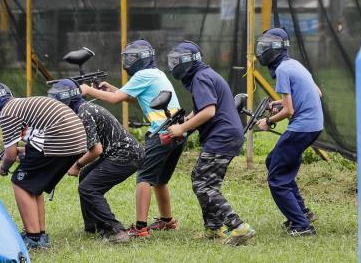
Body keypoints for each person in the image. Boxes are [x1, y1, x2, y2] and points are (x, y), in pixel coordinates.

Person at [80, 39, 183, 237]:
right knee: (160, 180)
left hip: (161, 132)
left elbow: (114, 100)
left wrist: (88, 90)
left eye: (132, 57)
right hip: (177, 131)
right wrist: (112, 89)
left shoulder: (143, 74)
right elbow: (133, 98)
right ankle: (167, 220)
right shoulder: (156, 73)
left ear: (142, 58)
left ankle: (140, 227)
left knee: (144, 178)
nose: (128, 62)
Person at [165, 40, 255, 245]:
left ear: (188, 61)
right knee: (201, 177)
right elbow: (203, 107)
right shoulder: (204, 74)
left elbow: (209, 111)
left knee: (203, 185)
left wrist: (181, 128)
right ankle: (214, 228)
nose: (173, 66)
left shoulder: (200, 77)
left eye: (176, 61)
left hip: (222, 137)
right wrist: (187, 120)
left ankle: (239, 227)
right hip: (226, 135)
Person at [0, 82, 87, 249]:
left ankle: (33, 238)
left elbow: (9, 154)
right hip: (77, 141)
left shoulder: (7, 112)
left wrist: (3, 168)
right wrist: (23, 155)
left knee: (20, 182)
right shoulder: (21, 105)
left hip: (60, 137)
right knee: (33, 185)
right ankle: (40, 234)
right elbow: (30, 147)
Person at [47, 79, 144, 243]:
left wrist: (77, 165)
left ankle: (115, 231)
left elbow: (96, 150)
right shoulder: (80, 109)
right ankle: (93, 226)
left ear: (68, 98)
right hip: (121, 153)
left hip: (126, 155)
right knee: (86, 176)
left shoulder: (83, 113)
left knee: (88, 188)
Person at [255, 28, 323, 237]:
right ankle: (302, 212)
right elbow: (317, 93)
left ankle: (301, 225)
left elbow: (289, 111)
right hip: (314, 125)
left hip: (302, 127)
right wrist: (280, 102)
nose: (261, 51)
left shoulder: (283, 70)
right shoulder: (294, 64)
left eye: (265, 47)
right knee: (273, 160)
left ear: (274, 50)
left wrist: (267, 121)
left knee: (277, 179)